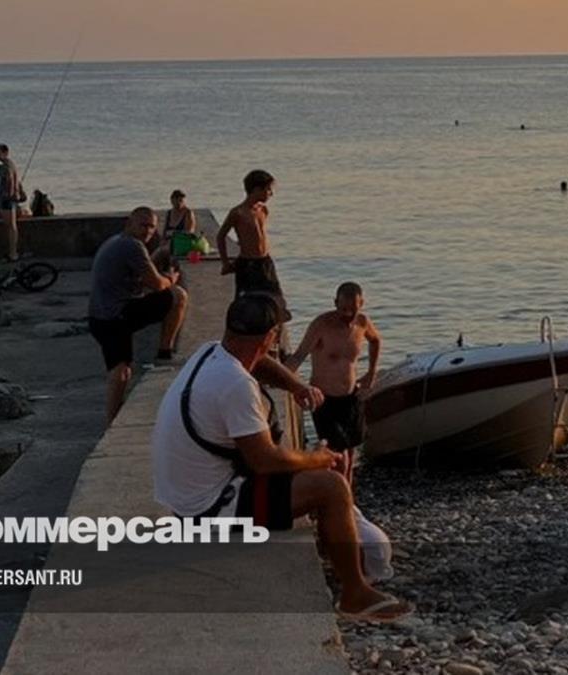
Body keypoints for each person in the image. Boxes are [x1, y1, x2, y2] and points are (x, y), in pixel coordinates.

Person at [151, 294, 412, 622]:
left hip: (185, 498)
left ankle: (336, 550)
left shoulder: (212, 353)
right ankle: (354, 594)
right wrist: (317, 458)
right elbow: (265, 461)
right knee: (331, 487)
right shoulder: (235, 385)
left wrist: (297, 387)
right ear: (270, 337)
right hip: (209, 511)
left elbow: (258, 362)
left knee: (301, 471)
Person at [89, 206, 189, 425]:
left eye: (152, 227)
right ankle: (164, 352)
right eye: (143, 225)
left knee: (121, 368)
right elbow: (157, 284)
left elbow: (142, 275)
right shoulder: (132, 246)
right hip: (115, 316)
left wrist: (159, 257)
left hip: (99, 316)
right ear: (129, 224)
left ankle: (113, 418)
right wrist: (171, 278)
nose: (148, 231)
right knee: (178, 296)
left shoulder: (116, 241)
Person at [285, 282, 381, 484]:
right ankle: (335, 493)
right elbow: (299, 355)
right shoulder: (322, 325)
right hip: (324, 399)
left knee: (350, 454)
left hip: (351, 397)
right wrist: (284, 380)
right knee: (339, 458)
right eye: (343, 309)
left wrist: (371, 373)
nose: (347, 314)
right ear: (335, 303)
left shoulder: (362, 323)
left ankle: (346, 496)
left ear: (361, 304)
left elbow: (375, 341)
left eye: (352, 309)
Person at [217, 169, 290, 320]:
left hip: (265, 261)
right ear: (256, 189)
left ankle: (275, 329)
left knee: (277, 300)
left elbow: (258, 236)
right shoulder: (238, 213)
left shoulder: (263, 210)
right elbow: (221, 236)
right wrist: (225, 262)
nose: (271, 194)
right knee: (245, 301)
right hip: (247, 262)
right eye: (268, 190)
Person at [0, 144, 21, 261]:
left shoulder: (7, 165)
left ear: (5, 152)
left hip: (6, 198)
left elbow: (10, 179)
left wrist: (9, 194)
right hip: (9, 198)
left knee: (10, 226)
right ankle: (13, 252)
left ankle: (13, 253)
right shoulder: (9, 164)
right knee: (11, 226)